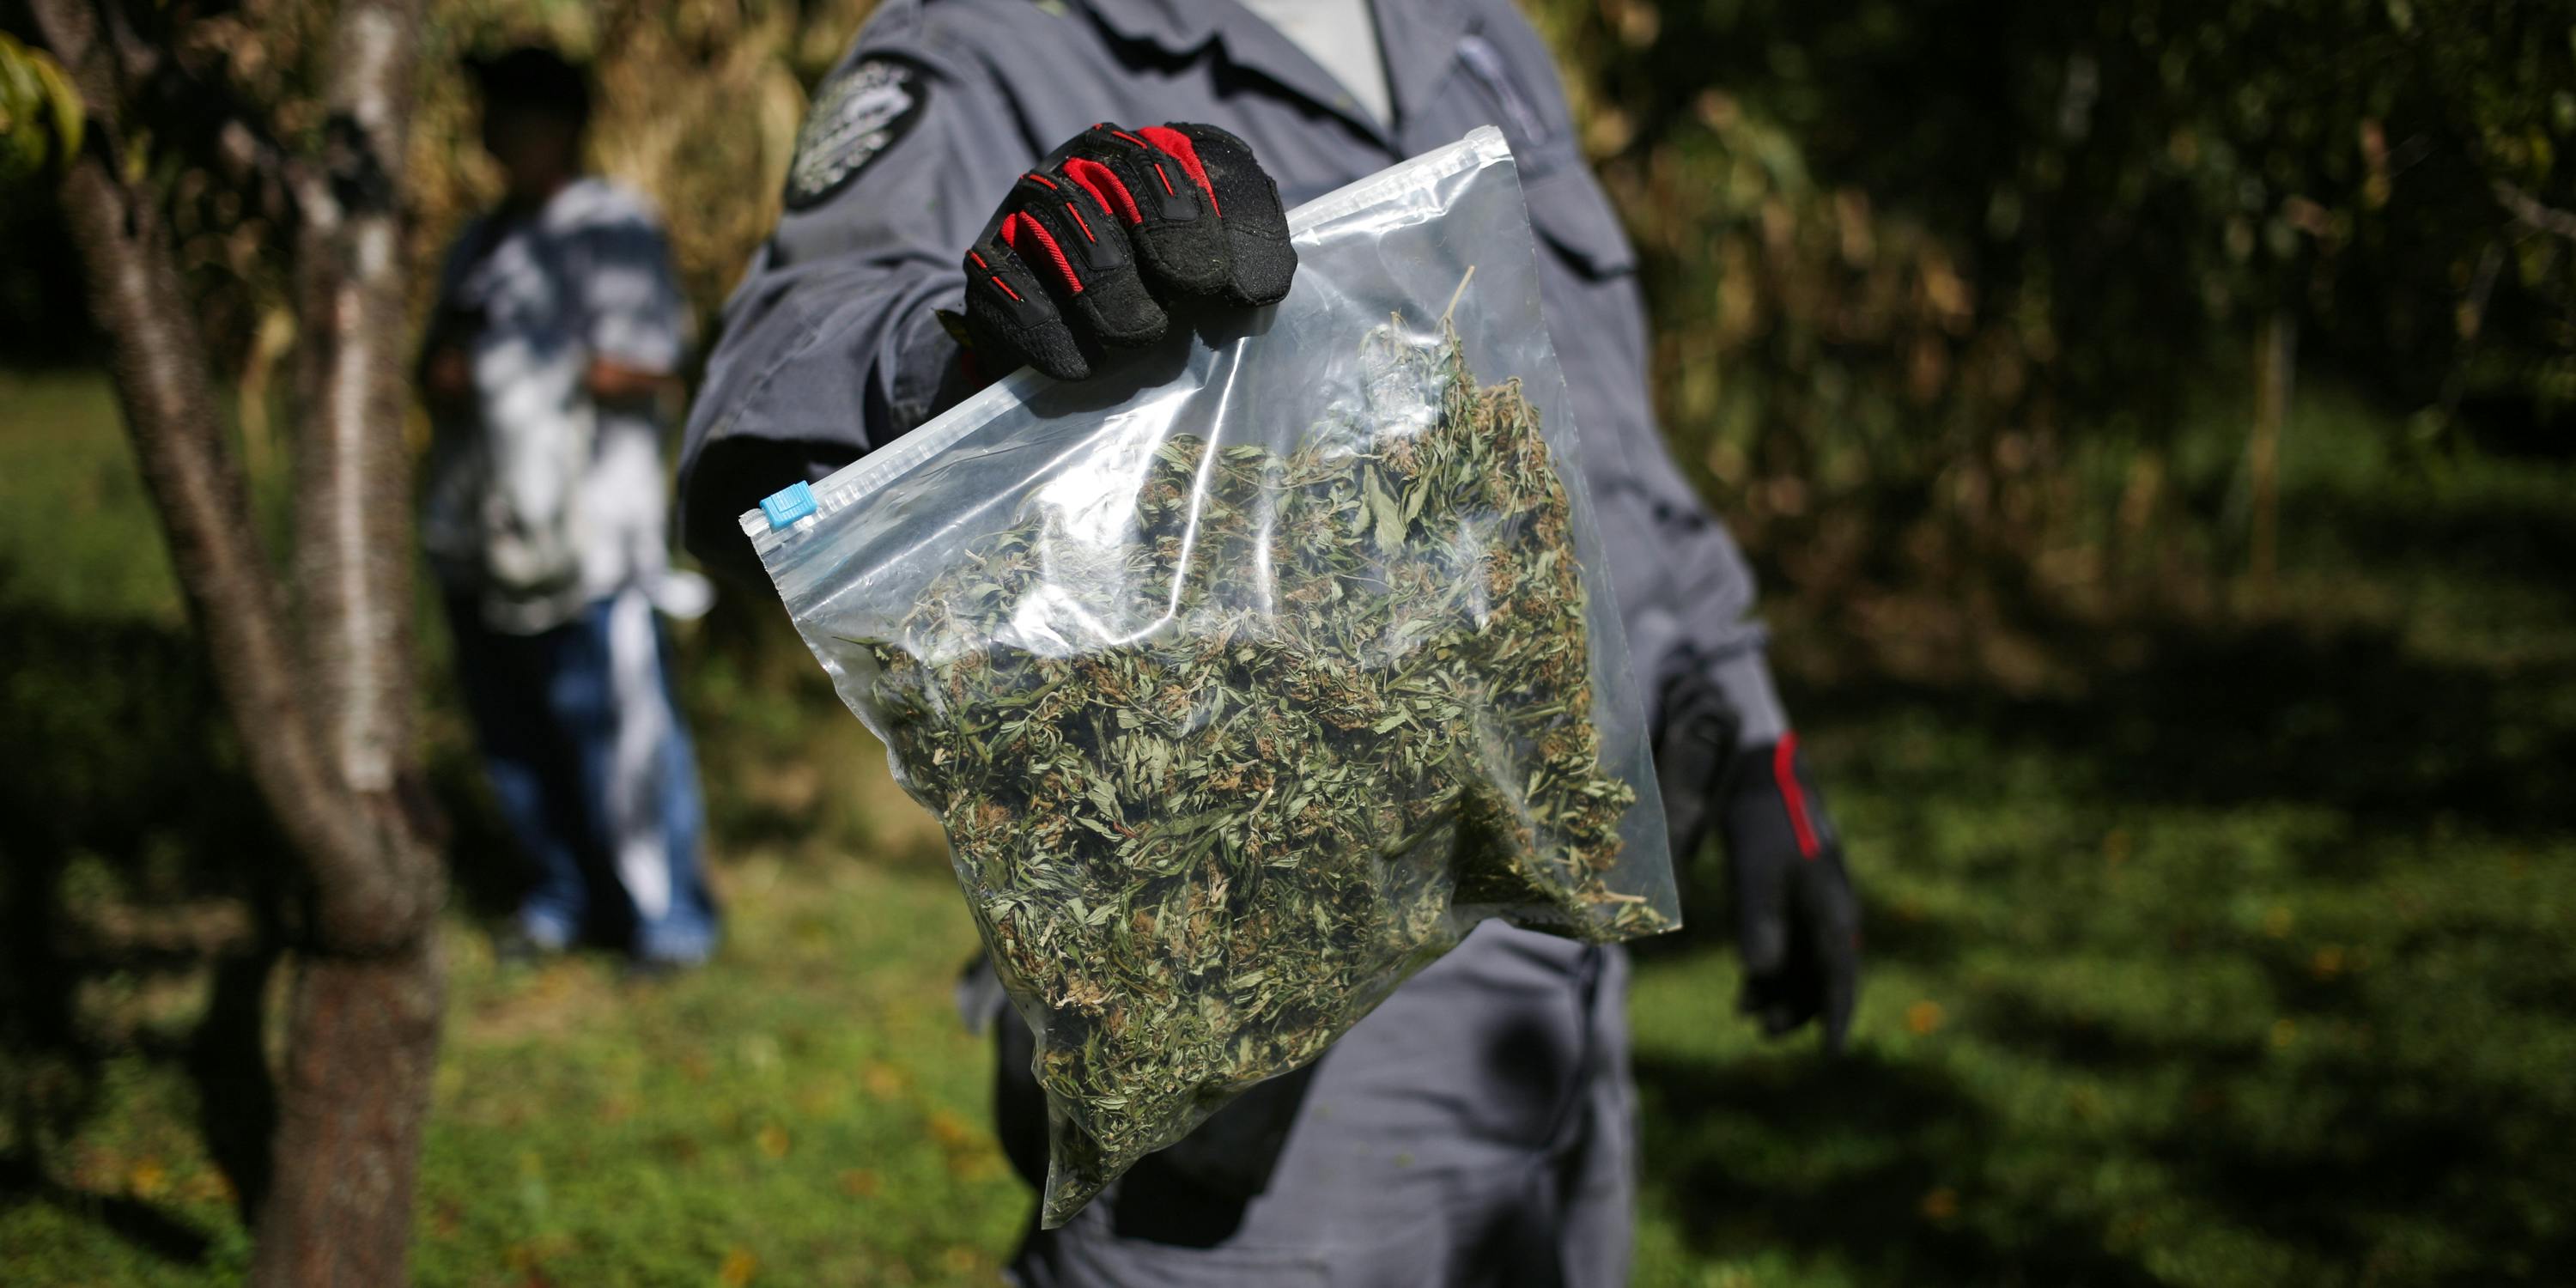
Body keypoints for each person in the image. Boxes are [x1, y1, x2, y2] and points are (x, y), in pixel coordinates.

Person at [679, 2, 1862, 1281]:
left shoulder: (1472, 33)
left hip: (1563, 949)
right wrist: (971, 361)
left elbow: (1599, 431)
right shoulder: (999, 31)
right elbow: (777, 391)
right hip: (1258, 1001)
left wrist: (1749, 727)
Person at [422, 45, 720, 972]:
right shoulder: (480, 242)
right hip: (482, 528)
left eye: (514, 111)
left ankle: (665, 921)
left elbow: (655, 363)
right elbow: (431, 371)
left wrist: (528, 367)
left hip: (593, 536)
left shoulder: (612, 227)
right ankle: (561, 897)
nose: (494, 131)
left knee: (620, 736)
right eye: (488, 111)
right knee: (515, 739)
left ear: (560, 124)